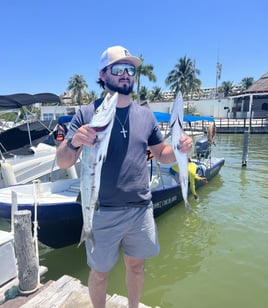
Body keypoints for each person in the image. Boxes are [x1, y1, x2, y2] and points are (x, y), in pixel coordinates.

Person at [56, 45, 193, 308]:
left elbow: (162, 153)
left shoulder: (145, 115)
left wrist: (178, 150)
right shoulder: (87, 113)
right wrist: (75, 141)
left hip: (140, 208)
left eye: (130, 69)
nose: (126, 74)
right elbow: (63, 161)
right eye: (118, 69)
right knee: (99, 274)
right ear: (103, 74)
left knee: (137, 266)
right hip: (101, 211)